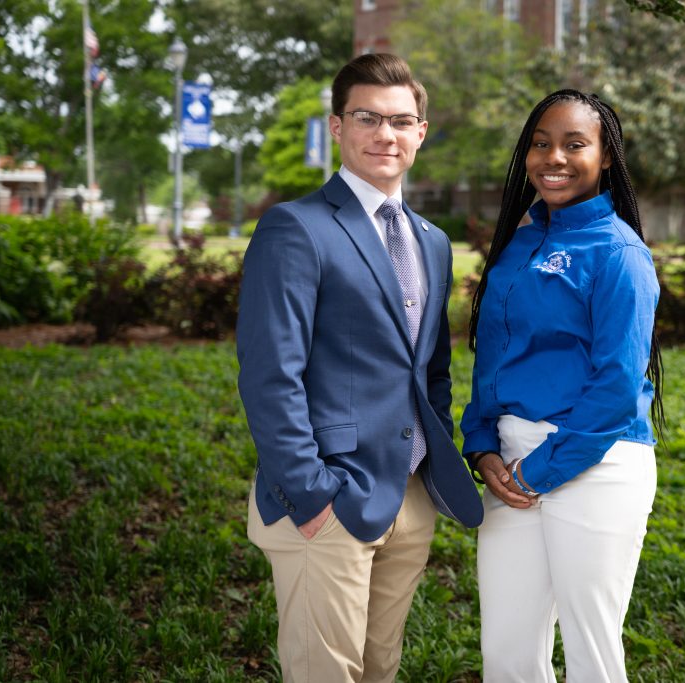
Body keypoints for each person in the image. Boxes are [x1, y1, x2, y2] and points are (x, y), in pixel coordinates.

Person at [237, 53, 484, 683]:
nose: (386, 134)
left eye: (402, 121)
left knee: (379, 669)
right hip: (328, 501)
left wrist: (433, 460)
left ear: (421, 133)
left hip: (409, 494)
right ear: (337, 126)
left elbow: (430, 367)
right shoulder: (295, 227)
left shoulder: (431, 239)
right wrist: (310, 494)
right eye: (368, 117)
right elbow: (271, 375)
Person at [460, 89, 664, 683]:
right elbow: (493, 355)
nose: (555, 157)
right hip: (510, 461)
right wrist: (481, 445)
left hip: (596, 461)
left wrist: (541, 469)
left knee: (591, 655)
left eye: (576, 144)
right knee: (506, 654)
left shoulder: (619, 252)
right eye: (541, 144)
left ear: (606, 158)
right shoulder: (520, 244)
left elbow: (618, 385)